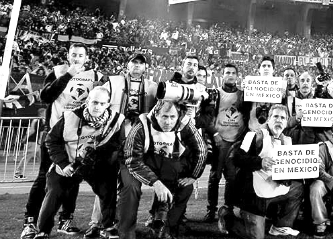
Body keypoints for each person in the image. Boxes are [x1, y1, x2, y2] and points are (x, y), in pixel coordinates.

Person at [21, 43, 106, 239]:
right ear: (68, 56)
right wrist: (68, 75)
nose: (77, 58)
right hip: (55, 135)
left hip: (79, 136)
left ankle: (66, 219)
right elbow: (46, 96)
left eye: (80, 55)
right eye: (73, 54)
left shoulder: (95, 76)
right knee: (44, 178)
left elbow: (105, 98)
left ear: (87, 58)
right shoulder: (58, 72)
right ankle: (30, 222)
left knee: (73, 178)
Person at [34, 87, 125, 239]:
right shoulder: (70, 116)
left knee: (108, 188)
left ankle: (108, 227)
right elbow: (51, 141)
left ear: (108, 105)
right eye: (94, 102)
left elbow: (117, 144)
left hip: (96, 165)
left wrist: (99, 154)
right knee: (54, 192)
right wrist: (63, 164)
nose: (97, 107)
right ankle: (43, 231)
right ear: (87, 101)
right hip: (69, 163)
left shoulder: (116, 120)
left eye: (102, 103)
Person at [86, 52, 159, 237]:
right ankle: (96, 222)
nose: (137, 65)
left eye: (140, 63)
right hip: (112, 139)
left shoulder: (152, 87)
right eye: (133, 62)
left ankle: (120, 224)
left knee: (129, 186)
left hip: (136, 143)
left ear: (145, 67)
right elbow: (95, 99)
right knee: (105, 183)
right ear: (127, 65)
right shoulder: (113, 82)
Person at [118, 100, 207, 239]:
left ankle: (164, 226)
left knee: (185, 186)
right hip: (135, 162)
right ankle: (126, 232)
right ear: (156, 114)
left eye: (172, 117)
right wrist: (156, 183)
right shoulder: (142, 125)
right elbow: (132, 159)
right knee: (130, 187)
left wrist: (193, 176)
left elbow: (201, 150)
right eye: (164, 116)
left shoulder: (185, 123)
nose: (168, 122)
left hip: (164, 160)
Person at [218, 104, 303, 239]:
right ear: (268, 119)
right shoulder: (254, 135)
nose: (279, 120)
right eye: (275, 116)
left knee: (297, 187)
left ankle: (280, 226)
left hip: (275, 186)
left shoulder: (287, 141)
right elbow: (236, 157)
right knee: (256, 237)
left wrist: (286, 177)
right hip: (253, 191)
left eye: (283, 118)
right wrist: (259, 162)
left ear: (287, 122)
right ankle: (228, 218)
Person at [204, 63, 251, 223]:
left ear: (237, 76)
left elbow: (249, 117)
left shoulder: (244, 95)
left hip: (236, 142)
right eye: (227, 72)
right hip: (220, 141)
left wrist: (242, 140)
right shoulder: (215, 94)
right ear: (222, 75)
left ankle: (228, 209)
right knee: (214, 177)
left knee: (232, 178)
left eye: (233, 73)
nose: (230, 75)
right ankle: (211, 210)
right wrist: (215, 134)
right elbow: (207, 118)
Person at [248, 56, 282, 131]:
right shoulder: (251, 86)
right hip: (253, 131)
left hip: (272, 132)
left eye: (269, 66)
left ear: (273, 70)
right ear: (259, 69)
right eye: (263, 66)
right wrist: (244, 91)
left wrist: (283, 97)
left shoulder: (281, 87)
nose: (266, 68)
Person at [14, 108, 46, 179]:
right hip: (32, 141)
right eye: (45, 112)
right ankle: (18, 173)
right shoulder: (36, 120)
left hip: (38, 142)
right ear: (41, 113)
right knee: (27, 157)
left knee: (41, 158)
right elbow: (31, 130)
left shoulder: (43, 121)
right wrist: (25, 138)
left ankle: (43, 173)